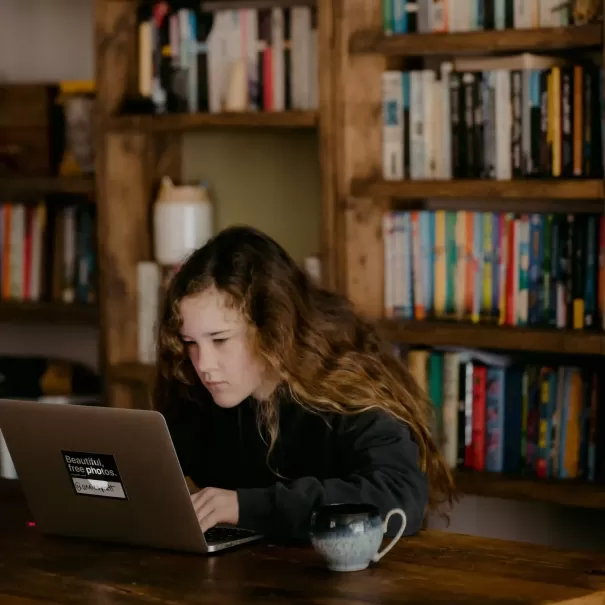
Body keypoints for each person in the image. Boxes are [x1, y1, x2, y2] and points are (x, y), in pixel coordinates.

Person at [154, 225, 454, 541]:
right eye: (190, 342)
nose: (204, 364)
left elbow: (400, 496)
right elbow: (152, 475)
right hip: (250, 575)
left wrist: (244, 507)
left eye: (220, 339)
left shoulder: (345, 384)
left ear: (273, 326)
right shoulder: (193, 387)